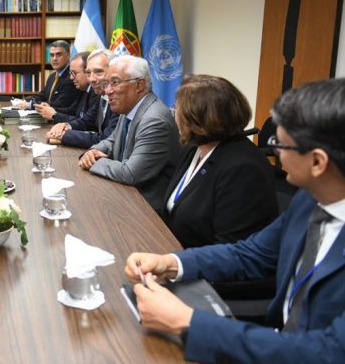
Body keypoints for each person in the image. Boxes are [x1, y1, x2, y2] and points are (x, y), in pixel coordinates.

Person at [125, 78, 345, 363]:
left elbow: (329, 352)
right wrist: (172, 263)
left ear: (317, 162)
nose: (274, 152)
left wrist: (187, 322)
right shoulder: (310, 200)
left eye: (280, 144)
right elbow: (251, 253)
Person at [163, 74, 279, 248]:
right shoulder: (195, 148)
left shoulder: (243, 170)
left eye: (176, 109)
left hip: (200, 262)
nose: (174, 115)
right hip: (171, 249)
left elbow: (229, 249)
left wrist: (174, 261)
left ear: (198, 119)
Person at [79, 55, 179, 213]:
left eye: (115, 83)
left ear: (139, 85)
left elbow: (130, 173)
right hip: (125, 193)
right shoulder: (129, 108)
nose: (107, 90)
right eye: (107, 83)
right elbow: (111, 141)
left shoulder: (154, 120)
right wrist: (93, 151)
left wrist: (94, 162)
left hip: (146, 209)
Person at [47, 49, 120, 148]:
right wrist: (66, 126)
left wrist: (64, 135)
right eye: (88, 73)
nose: (91, 79)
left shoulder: (119, 99)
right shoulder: (101, 94)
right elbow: (87, 121)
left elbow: (106, 139)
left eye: (98, 72)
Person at [15, 40, 82, 116]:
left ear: (68, 56)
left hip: (62, 119)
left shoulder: (72, 77)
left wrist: (30, 105)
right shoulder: (52, 76)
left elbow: (59, 104)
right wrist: (25, 100)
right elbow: (42, 95)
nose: (54, 59)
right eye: (52, 55)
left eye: (58, 55)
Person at [37, 51, 97, 123]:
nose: (71, 78)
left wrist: (54, 115)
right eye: (70, 73)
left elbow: (87, 123)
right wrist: (50, 109)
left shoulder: (96, 93)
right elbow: (72, 110)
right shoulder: (83, 90)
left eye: (74, 73)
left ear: (88, 72)